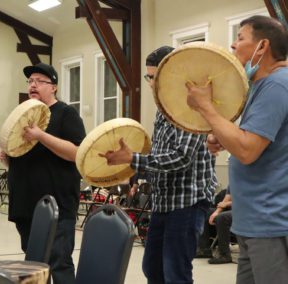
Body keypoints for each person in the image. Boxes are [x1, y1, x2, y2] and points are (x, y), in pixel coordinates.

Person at [100, 47, 217, 284]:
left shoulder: (190, 108)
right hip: (164, 201)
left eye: (155, 77)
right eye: (149, 77)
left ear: (172, 73)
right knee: (152, 268)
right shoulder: (162, 108)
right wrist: (132, 172)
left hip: (188, 202)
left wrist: (132, 158)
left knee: (176, 273)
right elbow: (159, 153)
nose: (151, 83)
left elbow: (181, 158)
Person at [186, 15, 288, 283]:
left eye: (240, 38)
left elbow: (246, 150)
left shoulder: (278, 85)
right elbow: (248, 138)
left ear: (262, 46)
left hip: (271, 222)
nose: (233, 44)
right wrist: (220, 135)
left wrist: (206, 107)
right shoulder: (259, 85)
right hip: (252, 219)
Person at [0, 63, 86, 284]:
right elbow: (29, 161)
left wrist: (40, 135)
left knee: (59, 263)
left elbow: (76, 153)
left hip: (57, 206)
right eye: (30, 81)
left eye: (39, 81)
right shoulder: (25, 116)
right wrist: (9, 158)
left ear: (54, 87)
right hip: (26, 205)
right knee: (33, 268)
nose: (33, 85)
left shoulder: (66, 113)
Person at [197, 188, 233, 264]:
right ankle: (204, 249)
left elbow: (249, 201)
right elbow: (226, 199)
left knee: (222, 217)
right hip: (233, 208)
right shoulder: (233, 180)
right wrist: (216, 212)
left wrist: (228, 204)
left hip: (246, 209)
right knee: (206, 212)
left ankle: (224, 254)